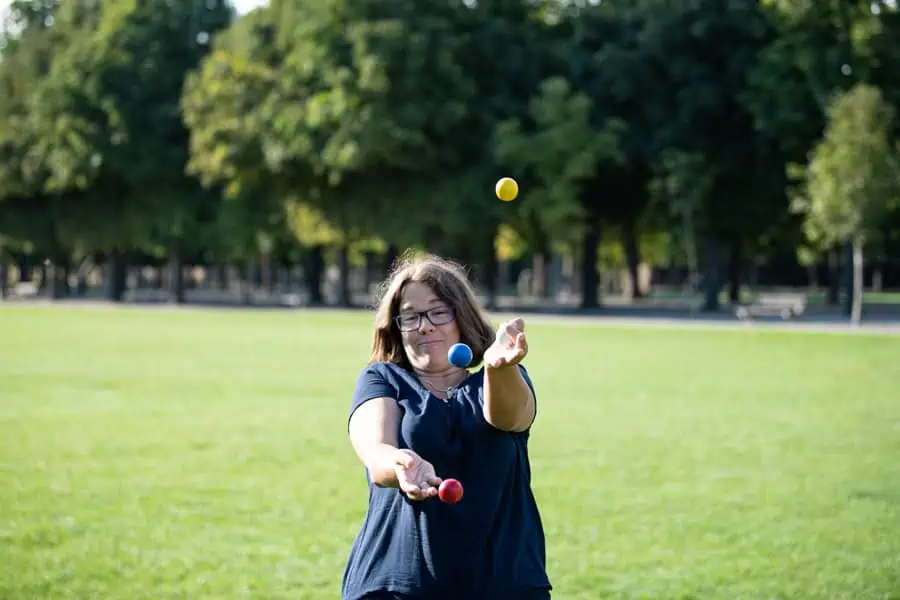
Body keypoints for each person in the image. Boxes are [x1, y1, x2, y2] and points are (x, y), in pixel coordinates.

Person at [341, 252, 552, 600]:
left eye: (438, 312)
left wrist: (499, 369)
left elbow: (511, 418)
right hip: (398, 585)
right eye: (409, 317)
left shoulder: (495, 380)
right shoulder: (383, 379)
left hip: (504, 583)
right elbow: (374, 450)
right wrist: (401, 464)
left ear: (461, 318)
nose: (425, 325)